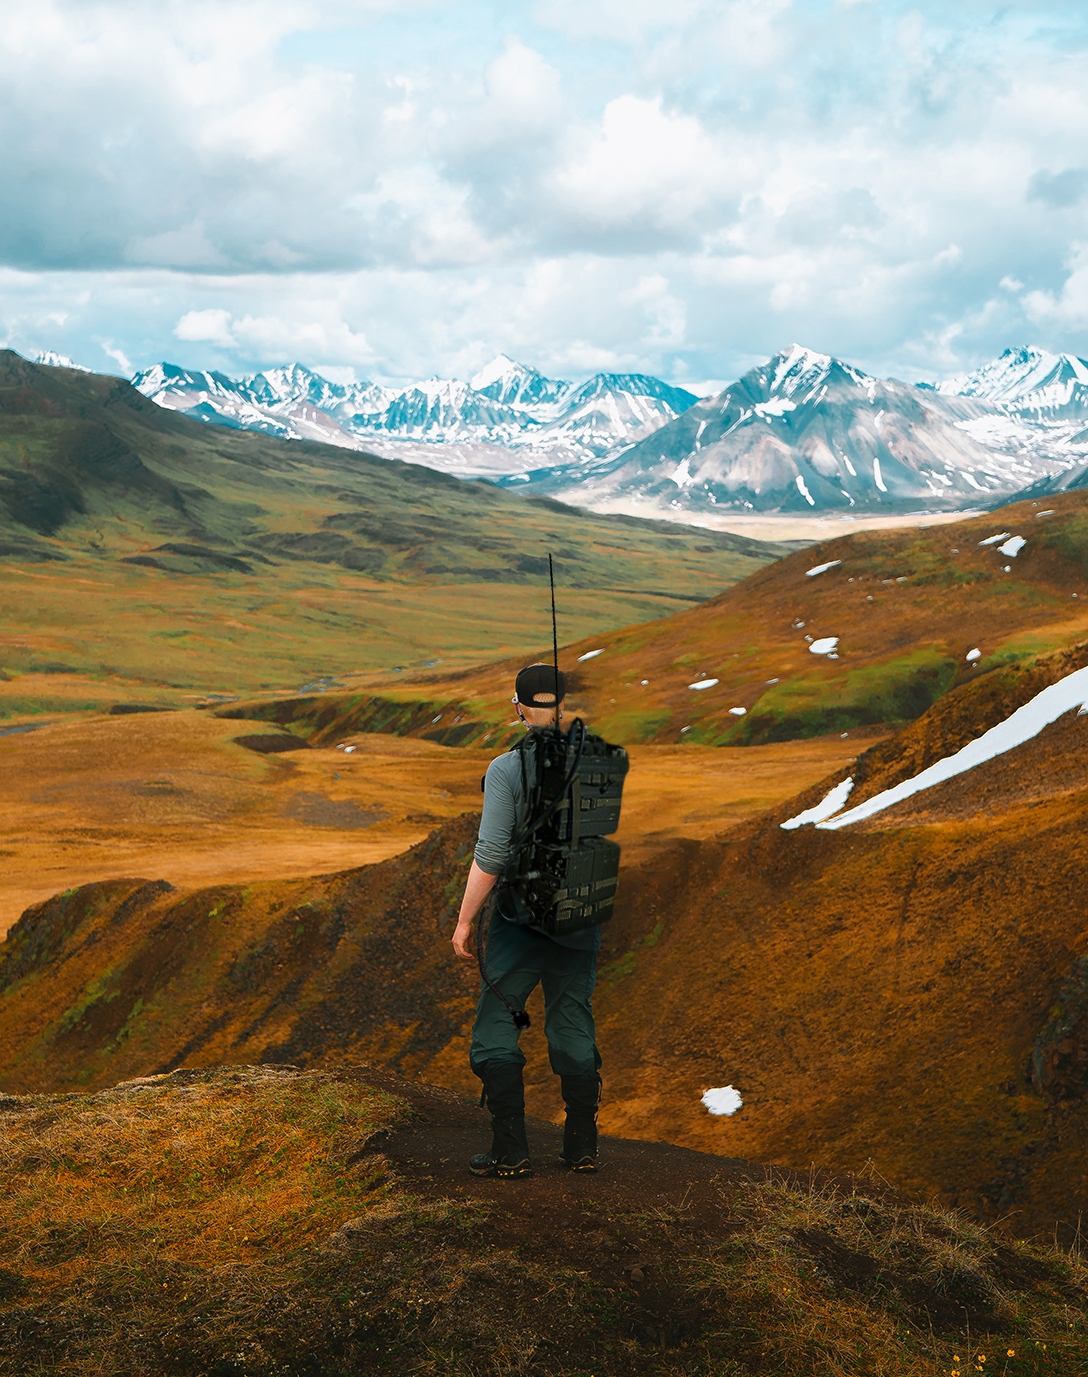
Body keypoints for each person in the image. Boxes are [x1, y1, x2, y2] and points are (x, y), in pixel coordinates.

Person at [451, 662, 602, 1179]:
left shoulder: (505, 769)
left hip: (520, 918)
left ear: (517, 707)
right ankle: (582, 1146)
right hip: (579, 914)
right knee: (571, 1015)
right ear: (561, 706)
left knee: (499, 1023)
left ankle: (510, 1151)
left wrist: (465, 920)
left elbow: (491, 851)